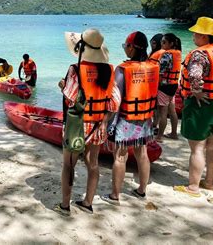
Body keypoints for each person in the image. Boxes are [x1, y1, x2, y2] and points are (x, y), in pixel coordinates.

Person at [54, 29, 117, 216]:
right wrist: (105, 120)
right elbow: (114, 102)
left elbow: (70, 98)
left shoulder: (75, 69)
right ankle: (88, 202)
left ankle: (65, 205)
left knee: (68, 164)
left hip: (77, 124)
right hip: (98, 124)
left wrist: (62, 86)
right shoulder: (109, 69)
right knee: (93, 163)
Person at [174, 17, 213, 197]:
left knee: (197, 148)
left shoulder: (199, 54)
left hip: (201, 105)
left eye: (195, 33)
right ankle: (209, 182)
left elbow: (195, 74)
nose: (193, 36)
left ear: (203, 35)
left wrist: (196, 91)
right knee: (212, 145)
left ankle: (193, 188)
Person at [102, 31, 159, 205]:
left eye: (126, 46)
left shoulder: (123, 69)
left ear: (132, 47)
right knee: (142, 154)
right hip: (145, 117)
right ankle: (142, 190)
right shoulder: (153, 67)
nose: (125, 49)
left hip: (126, 119)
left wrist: (106, 122)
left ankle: (115, 195)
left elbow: (115, 99)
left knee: (120, 156)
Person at [155, 33, 182, 142]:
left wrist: (156, 85)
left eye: (164, 42)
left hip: (164, 86)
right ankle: (174, 134)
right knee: (172, 111)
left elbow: (161, 72)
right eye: (161, 41)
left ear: (171, 43)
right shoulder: (178, 53)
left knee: (163, 113)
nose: (161, 44)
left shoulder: (167, 55)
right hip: (174, 85)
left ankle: (159, 137)